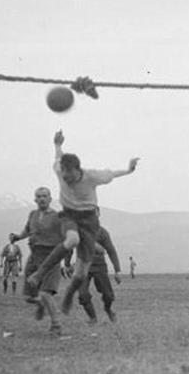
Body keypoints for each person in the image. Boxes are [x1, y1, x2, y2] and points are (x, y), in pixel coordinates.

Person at [25, 130, 139, 314]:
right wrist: (58, 144)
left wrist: (129, 169)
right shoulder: (59, 170)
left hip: (89, 219)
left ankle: (70, 293)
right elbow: (58, 157)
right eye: (63, 173)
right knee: (71, 240)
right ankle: (39, 274)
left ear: (77, 170)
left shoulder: (93, 176)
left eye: (68, 174)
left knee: (80, 273)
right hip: (69, 215)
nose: (65, 178)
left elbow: (113, 174)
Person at [11, 186, 64, 336]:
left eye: (44, 196)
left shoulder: (56, 216)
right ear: (35, 199)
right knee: (29, 297)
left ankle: (56, 326)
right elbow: (27, 230)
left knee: (46, 293)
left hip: (50, 258)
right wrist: (18, 237)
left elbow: (66, 237)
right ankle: (40, 303)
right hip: (34, 257)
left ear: (50, 199)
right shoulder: (32, 214)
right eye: (39, 196)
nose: (41, 199)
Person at [77, 227, 122, 324]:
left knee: (108, 295)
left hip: (99, 265)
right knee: (82, 294)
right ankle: (92, 318)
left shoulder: (102, 232)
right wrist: (67, 264)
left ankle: (108, 309)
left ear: (98, 214)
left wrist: (117, 270)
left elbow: (111, 250)